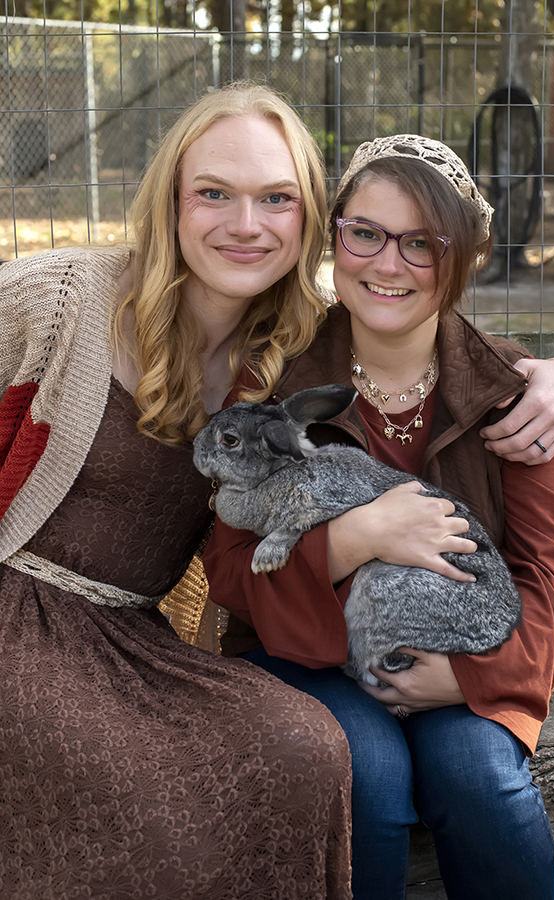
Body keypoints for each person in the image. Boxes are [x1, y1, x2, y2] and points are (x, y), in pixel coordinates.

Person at [0, 82, 354, 900]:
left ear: (307, 220)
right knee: (141, 797)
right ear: (170, 203)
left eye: (277, 198)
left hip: (133, 639)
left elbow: (438, 342)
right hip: (15, 612)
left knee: (301, 747)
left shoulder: (303, 345)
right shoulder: (60, 301)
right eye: (213, 194)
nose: (244, 224)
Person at [203, 133, 554, 900]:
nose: (386, 263)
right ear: (334, 235)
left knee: (480, 778)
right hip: (308, 653)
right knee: (364, 776)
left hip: (457, 656)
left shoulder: (512, 394)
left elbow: (547, 570)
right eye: (365, 233)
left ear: (462, 256)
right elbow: (231, 573)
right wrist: (350, 541)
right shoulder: (277, 379)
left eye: (421, 244)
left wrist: (475, 675)